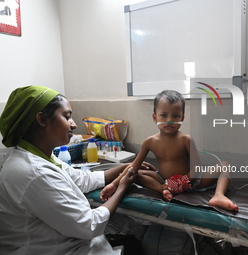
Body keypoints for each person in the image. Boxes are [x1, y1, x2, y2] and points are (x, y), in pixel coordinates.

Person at [0, 85, 147, 255]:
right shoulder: (33, 173)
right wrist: (122, 186)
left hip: (71, 243)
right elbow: (89, 225)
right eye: (66, 117)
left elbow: (80, 179)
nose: (74, 124)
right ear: (42, 119)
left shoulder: (40, 157)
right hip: (59, 249)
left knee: (132, 243)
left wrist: (123, 168)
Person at [101, 90, 238, 212]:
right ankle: (163, 189)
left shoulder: (186, 139)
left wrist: (183, 182)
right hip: (163, 179)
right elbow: (133, 167)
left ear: (182, 118)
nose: (170, 120)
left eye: (176, 116)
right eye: (164, 115)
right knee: (135, 174)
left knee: (224, 165)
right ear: (155, 117)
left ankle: (219, 195)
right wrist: (114, 184)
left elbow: (197, 168)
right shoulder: (150, 142)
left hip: (192, 181)